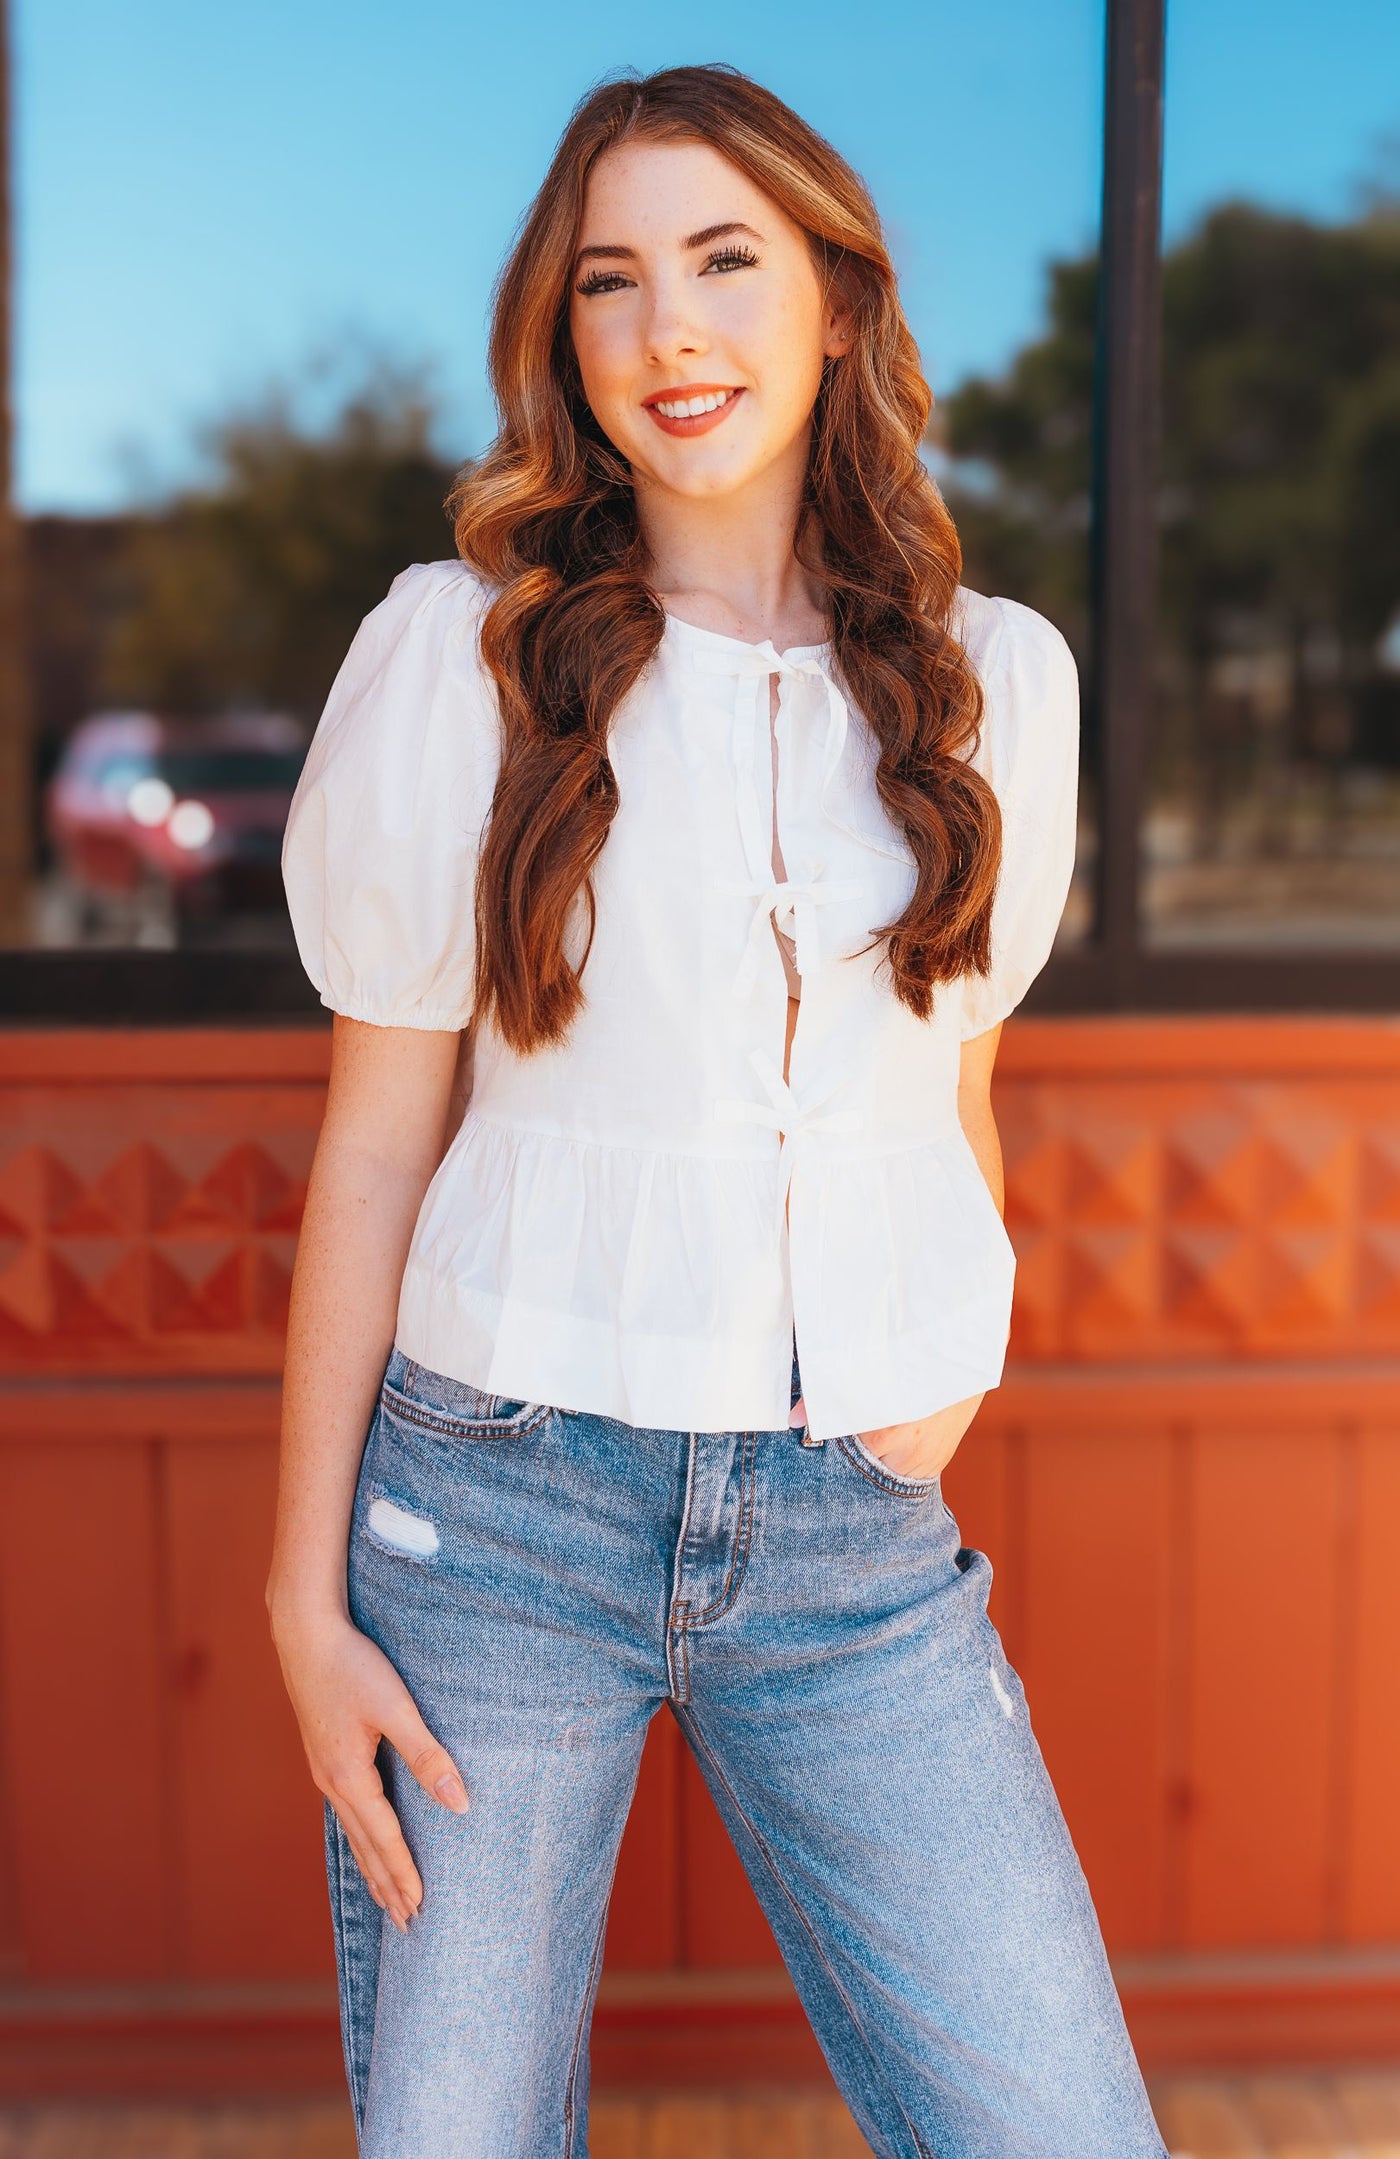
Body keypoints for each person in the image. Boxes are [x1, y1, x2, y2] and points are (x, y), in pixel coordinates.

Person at [268, 61, 1170, 2159]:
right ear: (564, 340)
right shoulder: (466, 660)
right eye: (611, 283)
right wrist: (306, 1611)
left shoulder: (989, 685)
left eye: (724, 261)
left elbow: (959, 1091)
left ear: (836, 303)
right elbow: (378, 1148)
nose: (668, 328)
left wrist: (964, 1341)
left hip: (852, 1537)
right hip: (485, 1520)